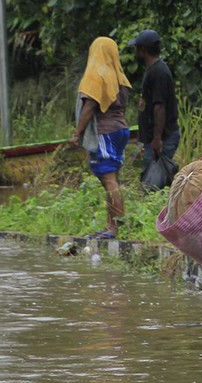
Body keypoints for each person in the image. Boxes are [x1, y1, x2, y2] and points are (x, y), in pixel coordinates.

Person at [70, 36, 132, 239]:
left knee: (109, 179)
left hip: (106, 132)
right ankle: (112, 225)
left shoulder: (97, 75)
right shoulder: (119, 76)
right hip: (121, 130)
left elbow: (90, 105)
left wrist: (77, 133)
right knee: (113, 178)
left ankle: (114, 228)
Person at [129, 29, 180, 172]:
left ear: (143, 49)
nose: (135, 52)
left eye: (136, 48)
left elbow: (159, 107)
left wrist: (157, 139)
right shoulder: (152, 69)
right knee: (153, 179)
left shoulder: (159, 72)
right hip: (153, 139)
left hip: (163, 138)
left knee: (153, 183)